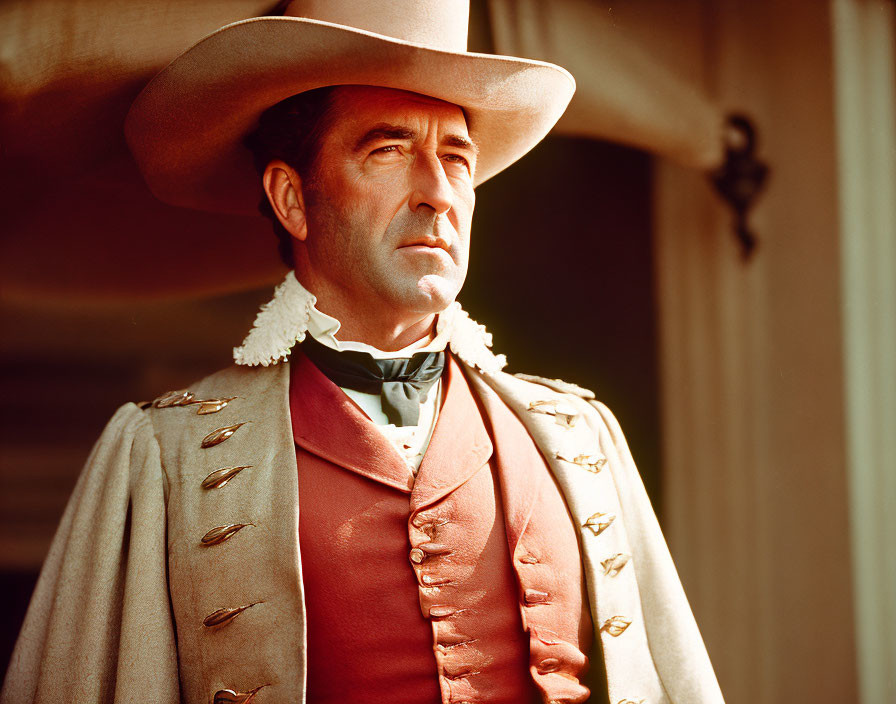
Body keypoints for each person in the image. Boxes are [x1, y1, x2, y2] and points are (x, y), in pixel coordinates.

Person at [1, 2, 723, 703]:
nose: (437, 193)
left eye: (456, 158)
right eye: (389, 151)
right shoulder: (162, 457)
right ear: (292, 198)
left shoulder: (579, 438)